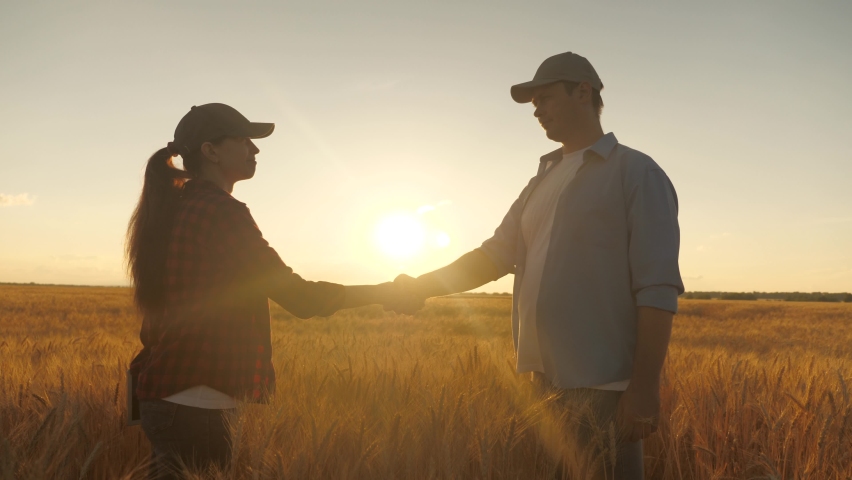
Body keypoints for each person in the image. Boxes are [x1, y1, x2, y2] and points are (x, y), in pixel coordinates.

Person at [394, 52, 684, 478]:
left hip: (605, 388)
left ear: (583, 92)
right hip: (542, 383)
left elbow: (657, 287)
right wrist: (420, 286)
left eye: (545, 98)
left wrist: (643, 387)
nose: (538, 111)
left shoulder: (637, 172)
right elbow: (493, 255)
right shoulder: (541, 180)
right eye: (534, 105)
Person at [126, 103, 417, 479]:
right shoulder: (222, 212)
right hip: (200, 405)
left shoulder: (173, 209)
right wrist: (385, 292)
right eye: (244, 140)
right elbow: (300, 297)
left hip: (165, 398)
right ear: (210, 151)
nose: (255, 149)